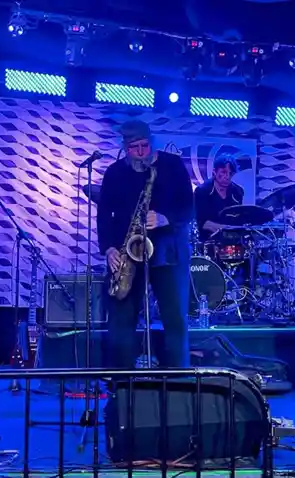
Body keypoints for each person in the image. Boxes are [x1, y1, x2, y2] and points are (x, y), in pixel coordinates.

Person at [97, 120, 194, 368]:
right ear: (124, 147)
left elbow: (189, 206)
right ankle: (121, 382)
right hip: (128, 253)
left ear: (151, 142)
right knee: (120, 321)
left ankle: (179, 379)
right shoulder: (115, 173)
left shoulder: (172, 165)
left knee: (175, 320)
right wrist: (109, 248)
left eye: (144, 146)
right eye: (134, 148)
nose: (140, 152)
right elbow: (104, 214)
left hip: (168, 252)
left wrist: (165, 218)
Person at [194, 154, 245, 241]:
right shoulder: (202, 191)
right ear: (214, 171)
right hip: (208, 241)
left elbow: (239, 219)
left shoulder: (238, 192)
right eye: (224, 172)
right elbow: (201, 222)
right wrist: (225, 229)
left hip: (233, 242)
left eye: (231, 173)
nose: (227, 177)